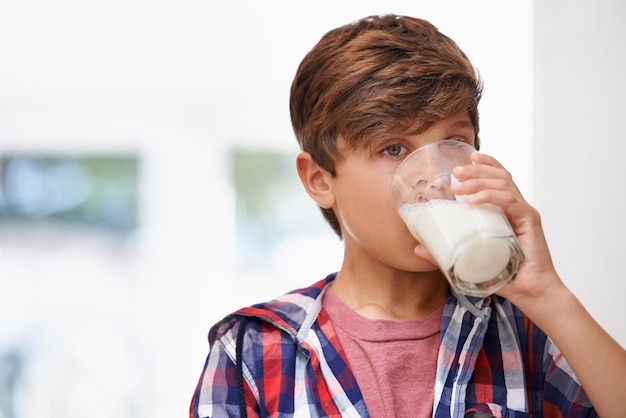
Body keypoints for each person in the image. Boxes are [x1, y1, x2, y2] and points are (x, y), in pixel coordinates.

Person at [190, 14, 626, 417]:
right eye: (393, 149)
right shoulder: (250, 350)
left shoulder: (530, 333)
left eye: (452, 143)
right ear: (320, 179)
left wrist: (547, 294)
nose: (435, 179)